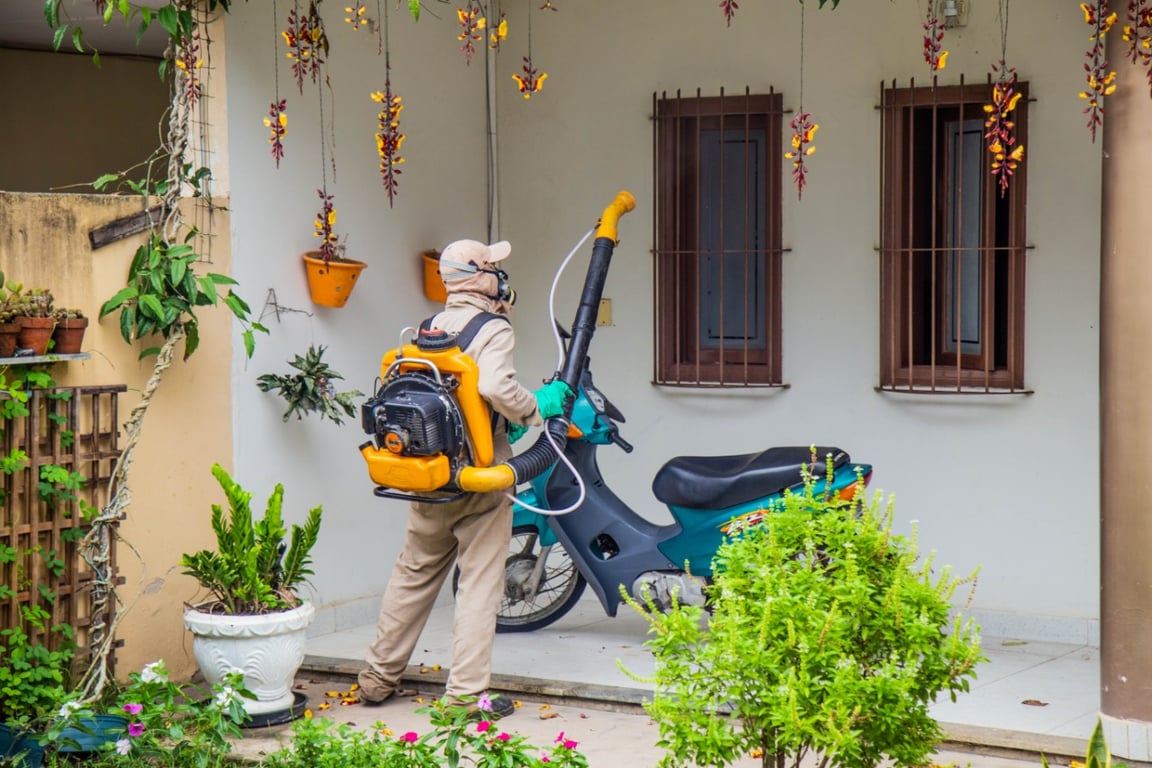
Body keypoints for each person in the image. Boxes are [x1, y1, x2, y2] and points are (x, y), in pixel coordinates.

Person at [357, 238, 571, 718]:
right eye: (494, 265)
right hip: (480, 473)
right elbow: (494, 386)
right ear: (479, 274)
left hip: (429, 473)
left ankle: (376, 679)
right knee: (479, 583)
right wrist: (537, 408)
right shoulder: (492, 327)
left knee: (412, 574)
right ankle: (465, 697)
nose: (500, 272)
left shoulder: (426, 328)